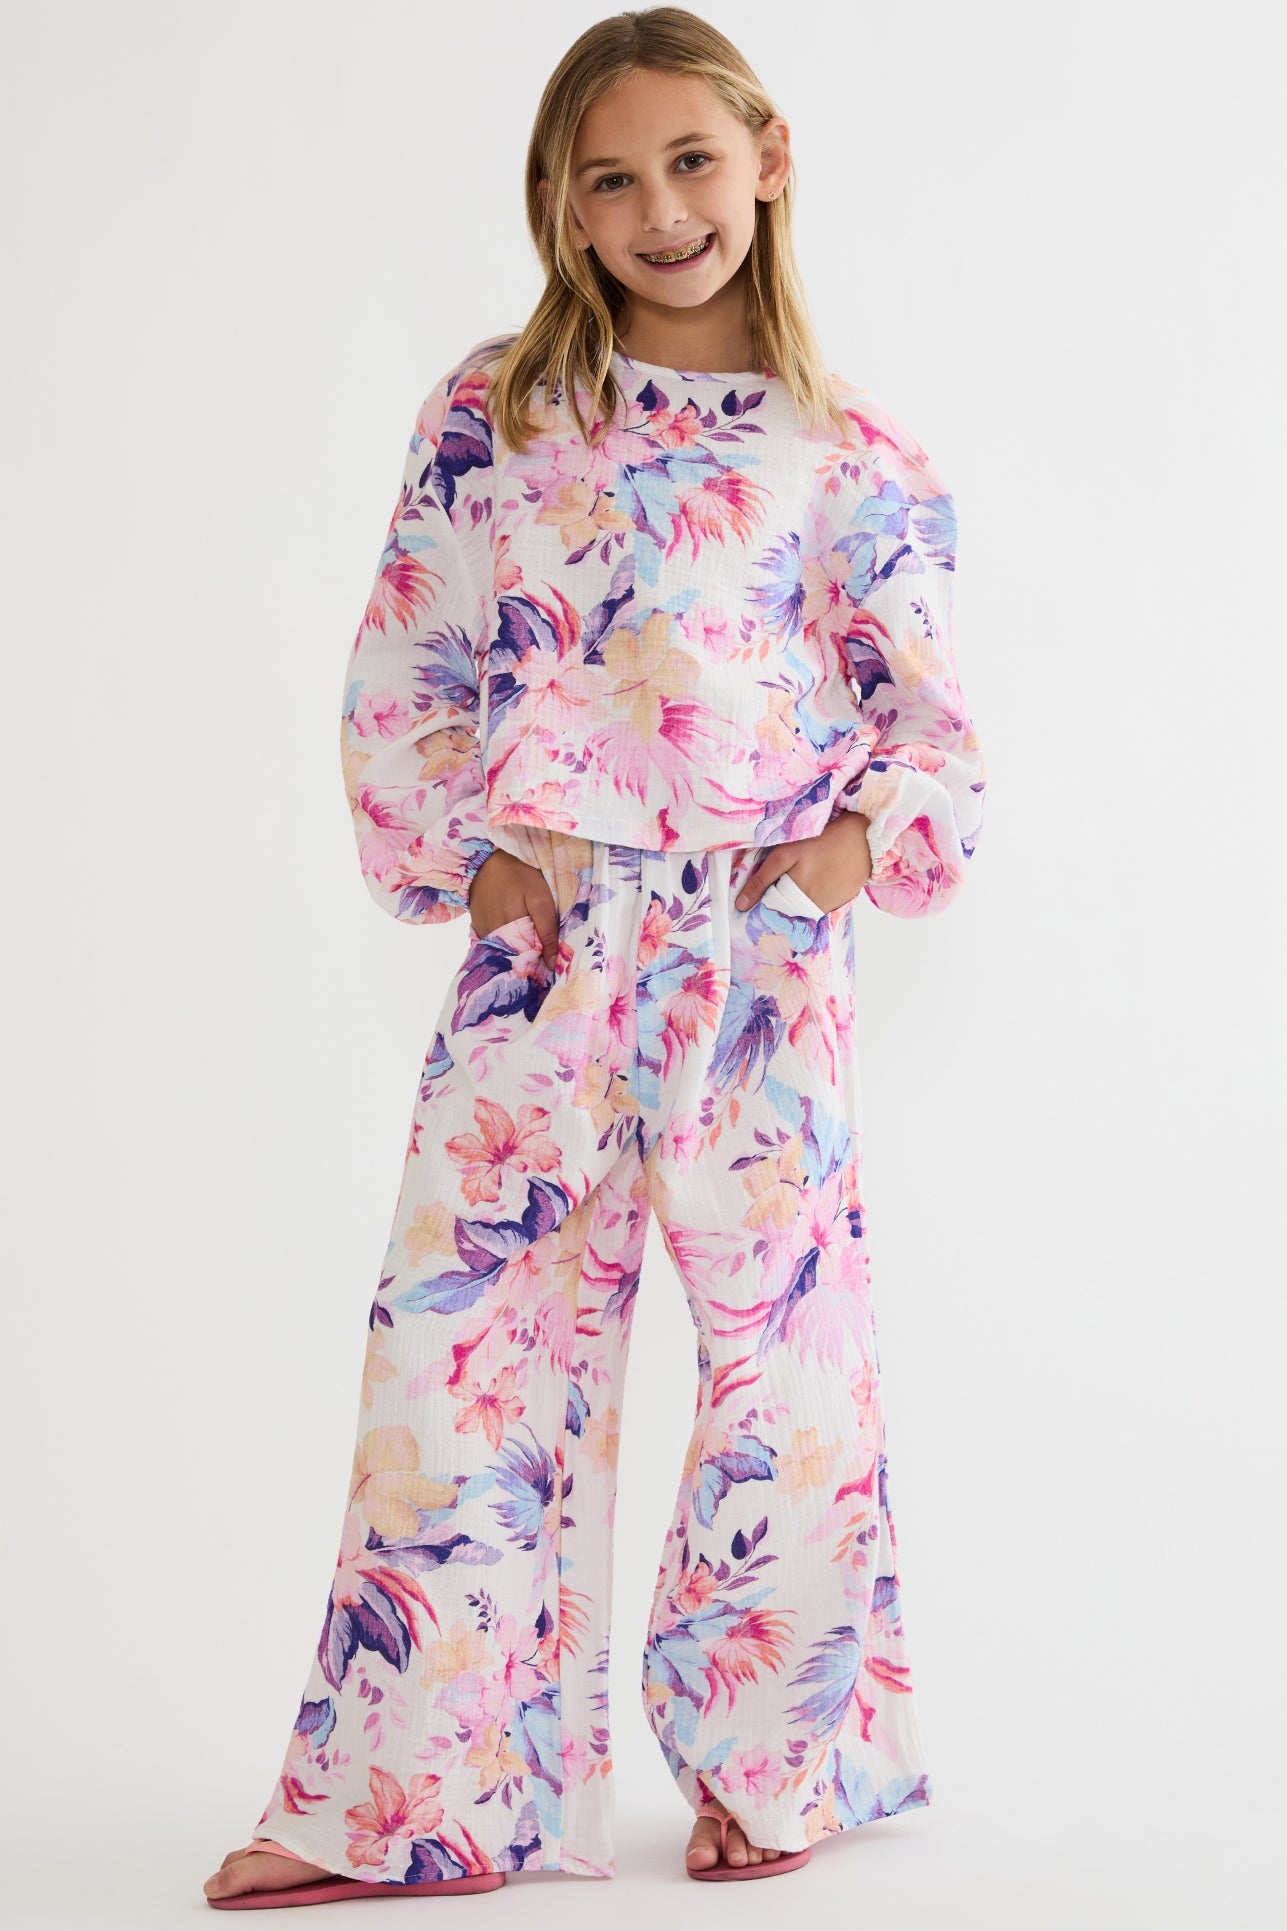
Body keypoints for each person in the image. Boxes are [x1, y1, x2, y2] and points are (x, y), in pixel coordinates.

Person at [203, 4, 986, 1908]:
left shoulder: (850, 454)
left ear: (768, 158)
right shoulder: (494, 413)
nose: (660, 209)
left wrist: (833, 860)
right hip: (546, 959)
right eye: (610, 176)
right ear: (558, 204)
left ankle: (778, 1764)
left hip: (758, 969)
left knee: (788, 1373)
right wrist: (472, 879)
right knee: (460, 1365)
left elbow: (939, 735)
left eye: (692, 162)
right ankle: (413, 1809)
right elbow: (404, 671)